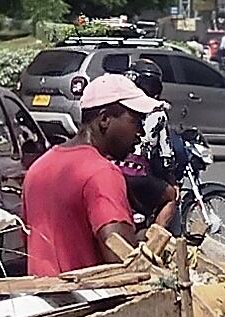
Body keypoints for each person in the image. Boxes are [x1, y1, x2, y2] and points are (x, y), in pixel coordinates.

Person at [21, 73, 159, 277]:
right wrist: (143, 237)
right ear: (104, 119)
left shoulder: (39, 167)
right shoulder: (101, 172)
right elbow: (120, 256)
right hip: (85, 300)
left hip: (40, 296)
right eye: (136, 121)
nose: (140, 133)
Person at [117, 59, 185, 231]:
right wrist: (172, 178)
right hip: (137, 174)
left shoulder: (117, 105)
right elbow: (166, 156)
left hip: (111, 169)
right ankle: (152, 244)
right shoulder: (156, 112)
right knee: (171, 196)